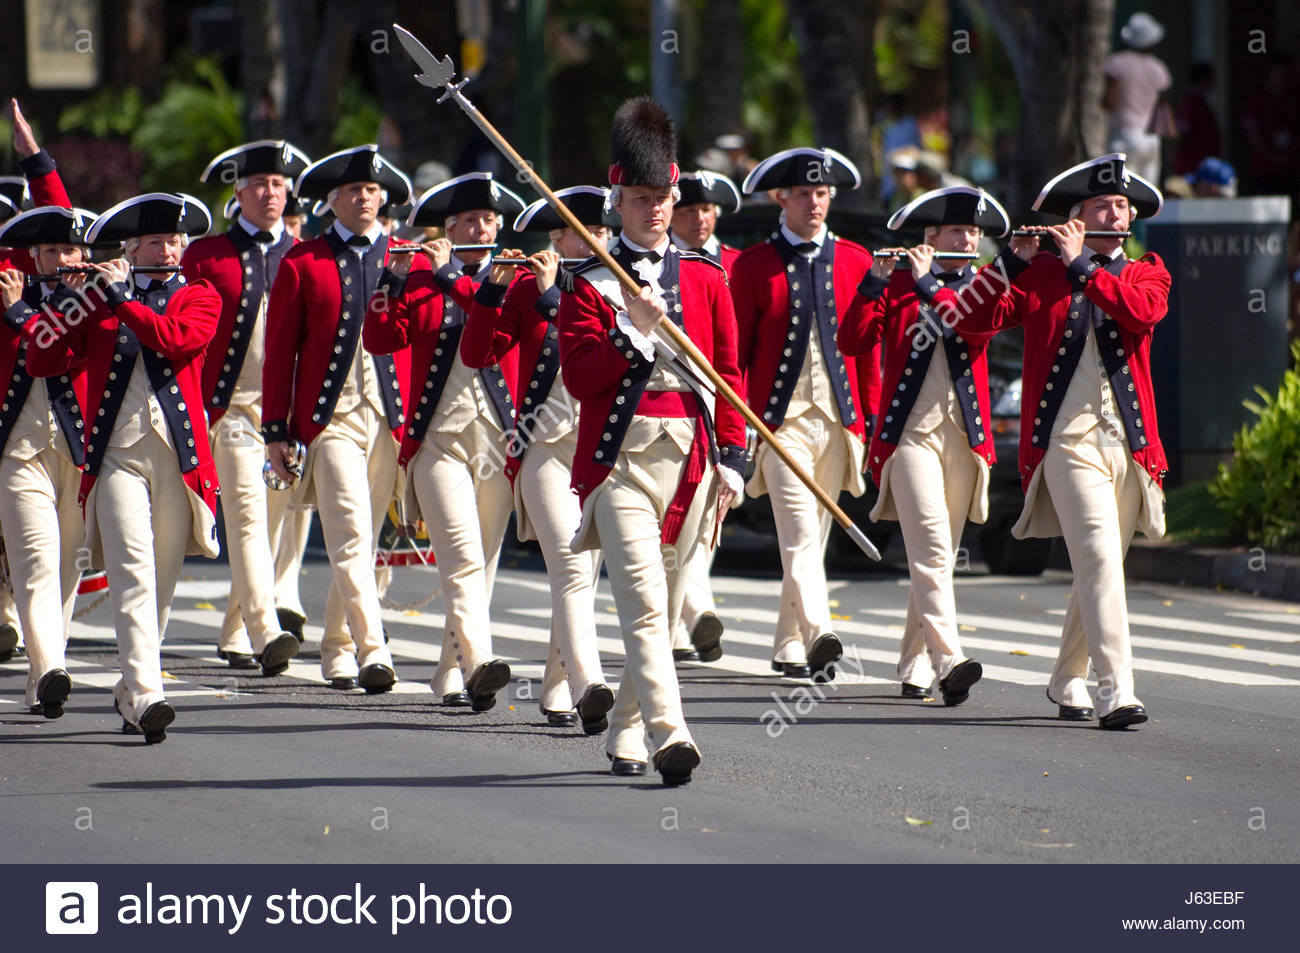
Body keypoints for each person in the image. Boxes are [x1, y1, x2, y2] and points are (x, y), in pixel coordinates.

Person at [940, 154, 1169, 730]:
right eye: (1101, 207)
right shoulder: (1040, 271)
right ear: (1075, 217)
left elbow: (1140, 315)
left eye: (1121, 207)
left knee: (1103, 567)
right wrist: (1009, 263)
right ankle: (1117, 689)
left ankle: (1067, 675)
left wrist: (1083, 267)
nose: (1115, 214)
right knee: (1094, 554)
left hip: (1129, 444)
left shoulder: (1147, 272)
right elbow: (968, 323)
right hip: (1066, 443)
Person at [558, 96, 747, 784]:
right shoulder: (590, 286)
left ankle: (626, 728)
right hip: (620, 460)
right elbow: (581, 379)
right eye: (640, 198)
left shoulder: (705, 276)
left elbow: (728, 373)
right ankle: (672, 733)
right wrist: (631, 330)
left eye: (663, 196)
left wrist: (733, 457)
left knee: (664, 615)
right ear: (617, 197)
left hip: (692, 456)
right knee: (641, 603)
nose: (655, 209)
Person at [28, 193, 223, 743]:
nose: (169, 249)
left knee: (158, 581)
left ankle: (130, 686)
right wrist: (69, 302)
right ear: (131, 249)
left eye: (174, 240)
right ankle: (146, 692)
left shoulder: (199, 295)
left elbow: (176, 340)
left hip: (179, 460)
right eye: (156, 241)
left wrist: (115, 299)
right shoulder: (98, 296)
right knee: (132, 573)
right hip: (114, 457)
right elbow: (43, 359)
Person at [839, 186, 1010, 704]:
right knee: (933, 547)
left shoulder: (983, 287)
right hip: (909, 434)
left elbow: (971, 325)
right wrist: (873, 282)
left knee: (931, 555)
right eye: (957, 231)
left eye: (974, 232)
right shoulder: (896, 285)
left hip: (964, 437)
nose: (968, 239)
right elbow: (852, 341)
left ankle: (913, 663)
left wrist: (926, 281)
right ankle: (949, 659)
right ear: (930, 238)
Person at [459, 185, 618, 729]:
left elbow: (608, 348)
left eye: (602, 230)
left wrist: (555, 297)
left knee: (585, 574)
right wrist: (491, 294)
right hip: (544, 446)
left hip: (603, 445)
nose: (598, 239)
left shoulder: (625, 286)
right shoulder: (527, 285)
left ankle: (557, 686)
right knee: (570, 564)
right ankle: (590, 682)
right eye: (584, 231)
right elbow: (478, 353)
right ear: (557, 237)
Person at [363, 172, 523, 711]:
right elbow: (381, 338)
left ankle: (450, 668)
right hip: (437, 440)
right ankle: (479, 661)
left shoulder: (512, 279)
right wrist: (392, 278)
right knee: (459, 557)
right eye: (469, 221)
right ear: (449, 228)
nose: (482, 227)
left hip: (501, 437)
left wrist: (450, 271)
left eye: (488, 220)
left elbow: (485, 305)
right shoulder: (423, 280)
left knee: (486, 560)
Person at [262, 145, 411, 693]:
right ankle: (373, 647)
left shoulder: (406, 258)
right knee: (348, 534)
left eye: (373, 190)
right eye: (354, 191)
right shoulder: (304, 261)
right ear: (332, 201)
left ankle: (334, 646)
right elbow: (280, 354)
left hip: (389, 418)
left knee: (366, 542)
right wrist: (276, 429)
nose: (366, 198)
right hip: (331, 423)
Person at [731, 146, 881, 681]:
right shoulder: (752, 265)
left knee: (813, 540)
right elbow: (737, 356)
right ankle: (820, 633)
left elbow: (866, 353)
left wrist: (864, 423)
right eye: (803, 193)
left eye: (821, 193)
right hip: (776, 425)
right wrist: (741, 427)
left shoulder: (858, 260)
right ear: (781, 198)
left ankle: (787, 645)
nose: (814, 202)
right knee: (797, 534)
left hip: (837, 424)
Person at [185, 140, 311, 675]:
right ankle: (266, 629)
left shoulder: (306, 254)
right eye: (258, 184)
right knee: (246, 515)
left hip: (286, 414)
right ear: (238, 193)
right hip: (230, 409)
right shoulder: (206, 254)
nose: (269, 193)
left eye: (278, 185)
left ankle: (235, 630)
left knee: (272, 524)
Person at [0, 206, 92, 718]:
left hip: (77, 451)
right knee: (35, 563)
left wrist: (21, 314)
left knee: (68, 568)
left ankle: (42, 674)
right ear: (32, 256)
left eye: (70, 250)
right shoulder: (7, 291)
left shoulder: (93, 304)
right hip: (19, 450)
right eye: (51, 251)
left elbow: (54, 349)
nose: (61, 259)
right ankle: (54, 666)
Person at [667, 169, 742, 662]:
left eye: (708, 209)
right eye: (690, 209)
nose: (701, 218)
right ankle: (692, 613)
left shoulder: (733, 264)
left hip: (721, 404)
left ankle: (685, 615)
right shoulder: (646, 263)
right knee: (672, 521)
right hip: (669, 408)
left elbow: (738, 355)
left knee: (706, 516)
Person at [1103, 13, 1172, 185]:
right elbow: (1162, 106)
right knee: (1148, 194)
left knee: (1122, 191)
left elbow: (1108, 101)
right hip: (1150, 138)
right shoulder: (1158, 68)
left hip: (1123, 135)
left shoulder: (1116, 63)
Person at [1171, 63, 1221, 177]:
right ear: (1203, 80)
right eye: (1210, 79)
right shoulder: (1190, 103)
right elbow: (1181, 133)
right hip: (1191, 168)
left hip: (1203, 167)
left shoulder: (1201, 102)